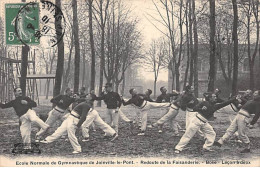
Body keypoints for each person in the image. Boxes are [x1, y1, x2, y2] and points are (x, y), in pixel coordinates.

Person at [40, 93, 118, 154]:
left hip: (74, 119)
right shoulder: (85, 102)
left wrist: (78, 125)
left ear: (90, 98)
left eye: (88, 95)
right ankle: (48, 140)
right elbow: (80, 98)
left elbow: (83, 117)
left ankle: (77, 149)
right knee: (60, 130)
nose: (86, 96)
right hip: (70, 118)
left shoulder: (87, 105)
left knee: (71, 134)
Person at [174, 93, 239, 153]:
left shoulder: (215, 106)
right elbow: (194, 108)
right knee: (188, 135)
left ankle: (206, 147)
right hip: (196, 121)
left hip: (204, 123)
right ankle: (178, 148)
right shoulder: (204, 103)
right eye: (214, 97)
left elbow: (225, 103)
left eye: (215, 97)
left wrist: (233, 99)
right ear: (210, 98)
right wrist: (201, 108)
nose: (215, 98)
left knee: (212, 133)